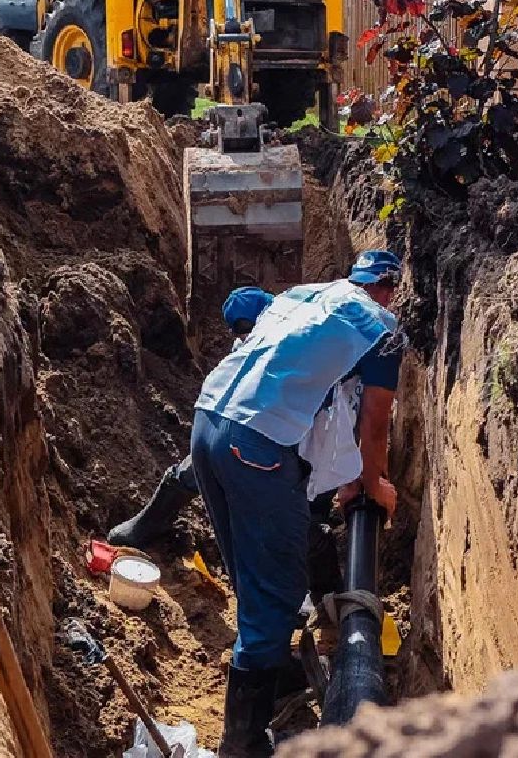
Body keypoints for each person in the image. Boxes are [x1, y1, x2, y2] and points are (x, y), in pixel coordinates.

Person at [192, 250, 405, 758]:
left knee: (251, 570)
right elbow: (376, 421)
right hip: (257, 447)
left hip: (206, 421)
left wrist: (348, 473)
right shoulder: (381, 327)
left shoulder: (303, 297)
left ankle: (276, 670)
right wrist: (371, 482)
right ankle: (243, 744)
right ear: (389, 289)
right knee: (282, 588)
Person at [107, 286, 274, 549]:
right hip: (243, 434)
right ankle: (150, 525)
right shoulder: (251, 350)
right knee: (197, 468)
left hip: (266, 437)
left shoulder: (268, 344)